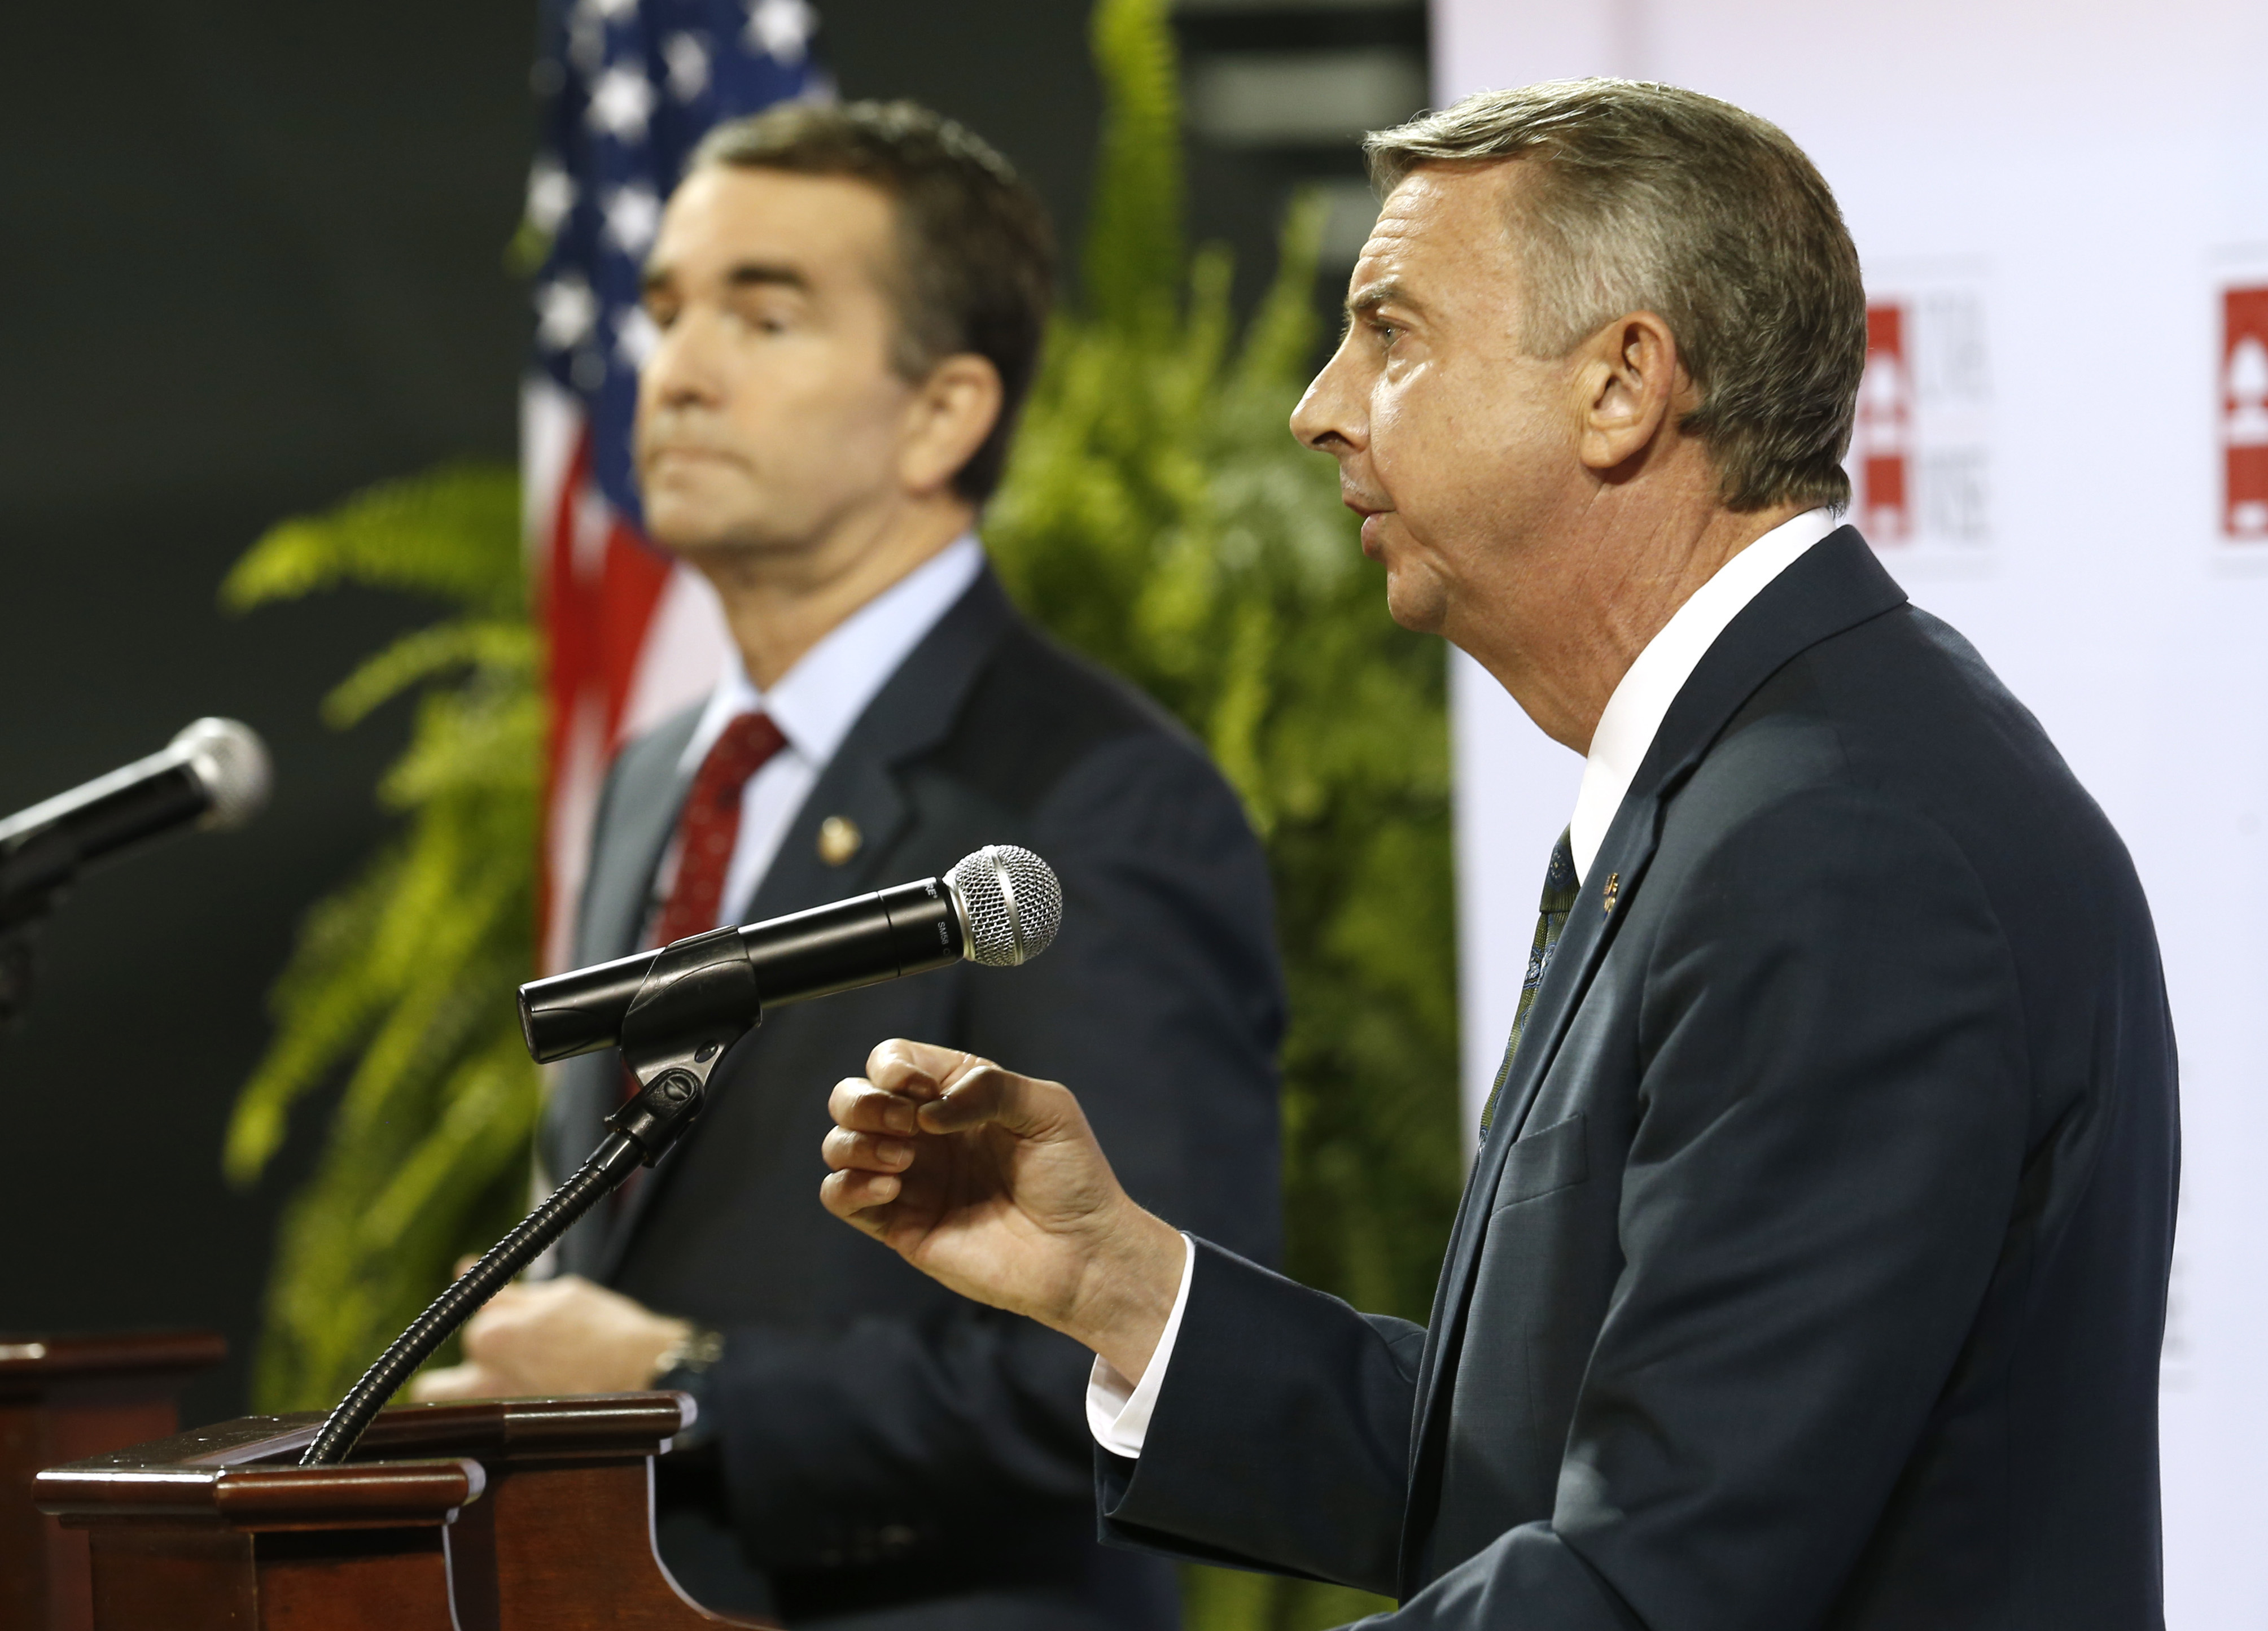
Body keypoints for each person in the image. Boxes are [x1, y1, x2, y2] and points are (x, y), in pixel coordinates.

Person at [820, 79, 2178, 1630]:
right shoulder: (1768, 776)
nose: (1317, 406)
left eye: (1389, 335)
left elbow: (1655, 1578)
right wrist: (1117, 1283)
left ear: (1621, 386)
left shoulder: (1837, 846)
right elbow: (1550, 1467)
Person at [413, 100, 1285, 1630]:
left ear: (943, 413)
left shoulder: (1098, 801)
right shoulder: (657, 775)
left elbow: (1145, 1357)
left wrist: (678, 1383)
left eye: (765, 317)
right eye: (666, 312)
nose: (678, 372)